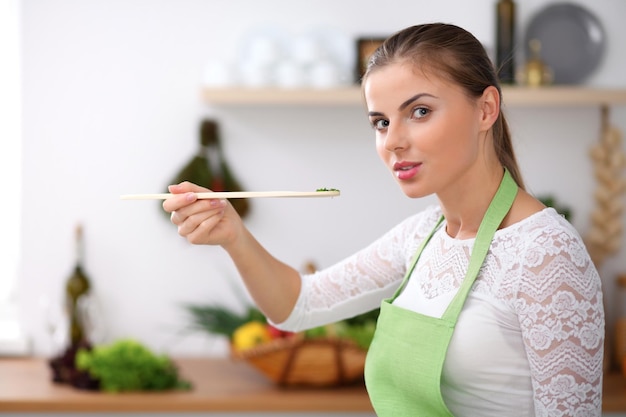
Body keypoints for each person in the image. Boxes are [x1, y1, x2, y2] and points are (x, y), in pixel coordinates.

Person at [164, 23, 604, 417]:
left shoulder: (546, 252)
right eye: (380, 121)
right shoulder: (423, 235)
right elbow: (298, 306)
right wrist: (232, 234)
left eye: (420, 112)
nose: (392, 142)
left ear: (486, 109)